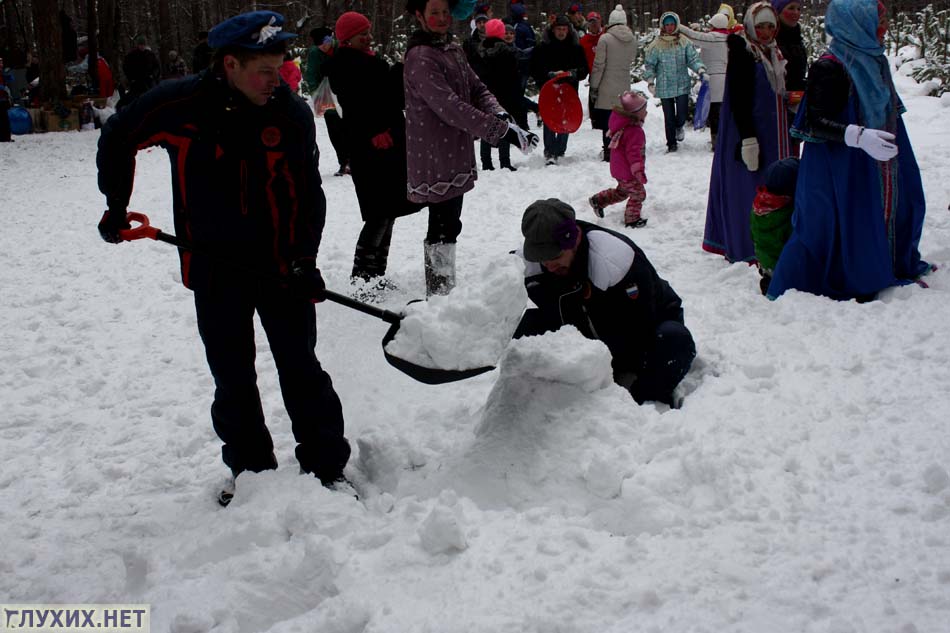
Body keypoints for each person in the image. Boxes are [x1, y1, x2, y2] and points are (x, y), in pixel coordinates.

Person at [96, 10, 352, 505]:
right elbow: (118, 136)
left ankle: (327, 465)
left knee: (301, 367)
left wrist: (305, 260)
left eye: (279, 69)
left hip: (282, 267)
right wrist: (116, 205)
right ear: (230, 64)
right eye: (263, 70)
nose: (274, 81)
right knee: (232, 375)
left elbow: (307, 194)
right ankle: (251, 471)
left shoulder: (290, 114)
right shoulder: (181, 105)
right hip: (213, 267)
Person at [767, 0, 930, 301]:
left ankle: (884, 261)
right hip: (839, 162)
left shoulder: (874, 59)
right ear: (857, 24)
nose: (884, 28)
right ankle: (850, 272)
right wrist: (857, 135)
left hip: (877, 158)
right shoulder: (831, 65)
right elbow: (816, 121)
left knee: (896, 205)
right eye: (877, 22)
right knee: (838, 220)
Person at [404, 0, 537, 296]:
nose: (441, 18)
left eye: (445, 12)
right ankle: (439, 293)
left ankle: (443, 289)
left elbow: (476, 87)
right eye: (434, 13)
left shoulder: (450, 48)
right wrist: (498, 131)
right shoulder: (421, 56)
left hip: (455, 146)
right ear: (419, 16)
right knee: (442, 223)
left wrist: (499, 112)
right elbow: (449, 106)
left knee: (450, 220)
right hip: (433, 151)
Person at [515, 199, 696, 407]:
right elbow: (491, 308)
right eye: (541, 258)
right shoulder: (524, 266)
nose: (549, 265)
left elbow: (640, 323)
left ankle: (635, 405)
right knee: (522, 326)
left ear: (573, 240)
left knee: (674, 342)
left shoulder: (615, 260)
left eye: (554, 256)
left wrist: (608, 370)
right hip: (582, 327)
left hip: (642, 328)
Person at [326, 11, 423, 286]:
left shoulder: (364, 61)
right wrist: (375, 133)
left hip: (386, 144)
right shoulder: (348, 66)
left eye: (368, 32)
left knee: (388, 210)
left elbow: (386, 94)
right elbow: (363, 105)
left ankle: (375, 273)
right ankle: (362, 276)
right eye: (362, 34)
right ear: (347, 39)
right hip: (373, 148)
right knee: (379, 213)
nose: (368, 38)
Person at [702, 2, 791, 264]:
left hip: (774, 133)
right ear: (751, 26)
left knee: (775, 187)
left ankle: (777, 240)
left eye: (770, 26)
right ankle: (747, 245)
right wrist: (748, 139)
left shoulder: (773, 52)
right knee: (750, 189)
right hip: (750, 134)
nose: (765, 32)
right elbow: (739, 100)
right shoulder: (744, 53)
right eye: (760, 26)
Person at [643, 11, 706, 153]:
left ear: (676, 24)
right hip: (665, 86)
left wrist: (700, 69)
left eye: (672, 24)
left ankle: (679, 127)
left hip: (681, 83)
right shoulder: (656, 45)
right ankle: (671, 143)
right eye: (667, 25)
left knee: (682, 113)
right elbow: (650, 65)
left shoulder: (684, 42)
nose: (670, 27)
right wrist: (650, 81)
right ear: (663, 26)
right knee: (669, 116)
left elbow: (693, 59)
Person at [531, 14, 589, 165]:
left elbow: (584, 69)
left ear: (568, 30)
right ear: (553, 30)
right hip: (549, 88)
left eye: (564, 29)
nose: (561, 32)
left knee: (567, 117)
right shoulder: (543, 47)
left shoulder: (576, 47)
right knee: (549, 117)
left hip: (569, 88)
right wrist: (547, 75)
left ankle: (560, 149)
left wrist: (573, 73)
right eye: (558, 29)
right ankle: (550, 151)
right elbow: (535, 68)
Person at [588, 91, 648, 227]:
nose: (646, 112)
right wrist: (638, 171)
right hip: (628, 171)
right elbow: (634, 154)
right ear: (636, 113)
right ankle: (632, 219)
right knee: (638, 194)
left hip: (618, 169)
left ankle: (599, 200)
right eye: (644, 110)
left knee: (623, 192)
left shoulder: (623, 126)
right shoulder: (634, 131)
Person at [473, 18, 527, 171]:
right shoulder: (507, 52)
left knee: (487, 127)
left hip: (485, 94)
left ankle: (486, 162)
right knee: (504, 126)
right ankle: (504, 161)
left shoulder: (480, 50)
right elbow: (513, 76)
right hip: (504, 94)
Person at [589, 4, 636, 162]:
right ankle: (619, 148)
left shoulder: (605, 38)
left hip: (606, 84)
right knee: (620, 118)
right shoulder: (632, 39)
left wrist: (594, 85)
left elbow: (599, 65)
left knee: (607, 121)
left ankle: (608, 150)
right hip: (623, 84)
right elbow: (631, 60)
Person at [677, 12, 730, 148]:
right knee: (725, 111)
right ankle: (725, 139)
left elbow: (693, 36)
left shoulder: (712, 38)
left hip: (713, 78)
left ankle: (716, 141)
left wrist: (679, 26)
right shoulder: (729, 38)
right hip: (727, 77)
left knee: (715, 112)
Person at [750, 157, 798, 294]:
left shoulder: (758, 206)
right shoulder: (788, 212)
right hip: (783, 264)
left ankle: (769, 275)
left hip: (764, 260)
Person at [305, 27, 349, 176]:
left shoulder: (342, 48)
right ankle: (344, 163)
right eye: (320, 44)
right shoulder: (314, 54)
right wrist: (316, 94)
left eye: (327, 41)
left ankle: (356, 160)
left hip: (346, 96)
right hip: (327, 97)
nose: (324, 46)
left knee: (350, 129)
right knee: (335, 132)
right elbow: (310, 76)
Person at [119, 35, 161, 109]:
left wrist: (154, 75)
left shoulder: (150, 54)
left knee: (151, 100)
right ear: (138, 45)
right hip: (137, 82)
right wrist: (131, 77)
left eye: (143, 45)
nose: (142, 46)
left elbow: (156, 67)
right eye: (140, 45)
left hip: (148, 82)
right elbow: (125, 67)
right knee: (136, 101)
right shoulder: (132, 55)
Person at [0, 57, 12, 142]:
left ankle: (6, 137)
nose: (1, 64)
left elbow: (11, 79)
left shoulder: (2, 72)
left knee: (5, 119)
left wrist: (9, 76)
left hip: (3, 99)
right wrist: (3, 87)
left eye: (1, 62)